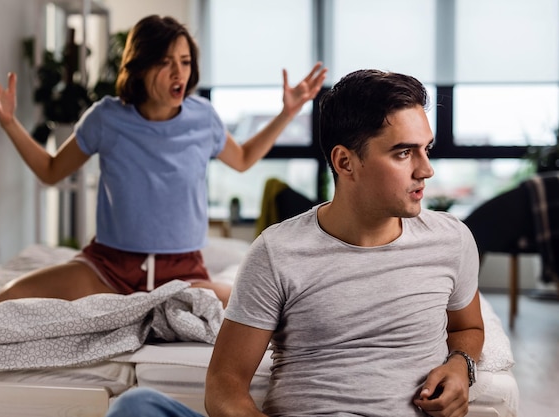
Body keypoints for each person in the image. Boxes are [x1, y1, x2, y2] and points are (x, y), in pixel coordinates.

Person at [104, 69, 485, 417]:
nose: (425, 169)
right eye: (404, 152)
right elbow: (224, 384)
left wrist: (460, 365)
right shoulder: (277, 251)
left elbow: (469, 329)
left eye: (426, 149)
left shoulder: (450, 241)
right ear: (345, 162)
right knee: (136, 406)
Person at [0, 15, 326, 308]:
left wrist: (287, 113)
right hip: (109, 267)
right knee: (5, 299)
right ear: (141, 66)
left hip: (183, 272)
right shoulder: (106, 117)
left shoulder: (203, 118)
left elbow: (244, 159)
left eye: (185, 62)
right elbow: (51, 171)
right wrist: (9, 122)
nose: (179, 73)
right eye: (165, 62)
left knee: (263, 310)